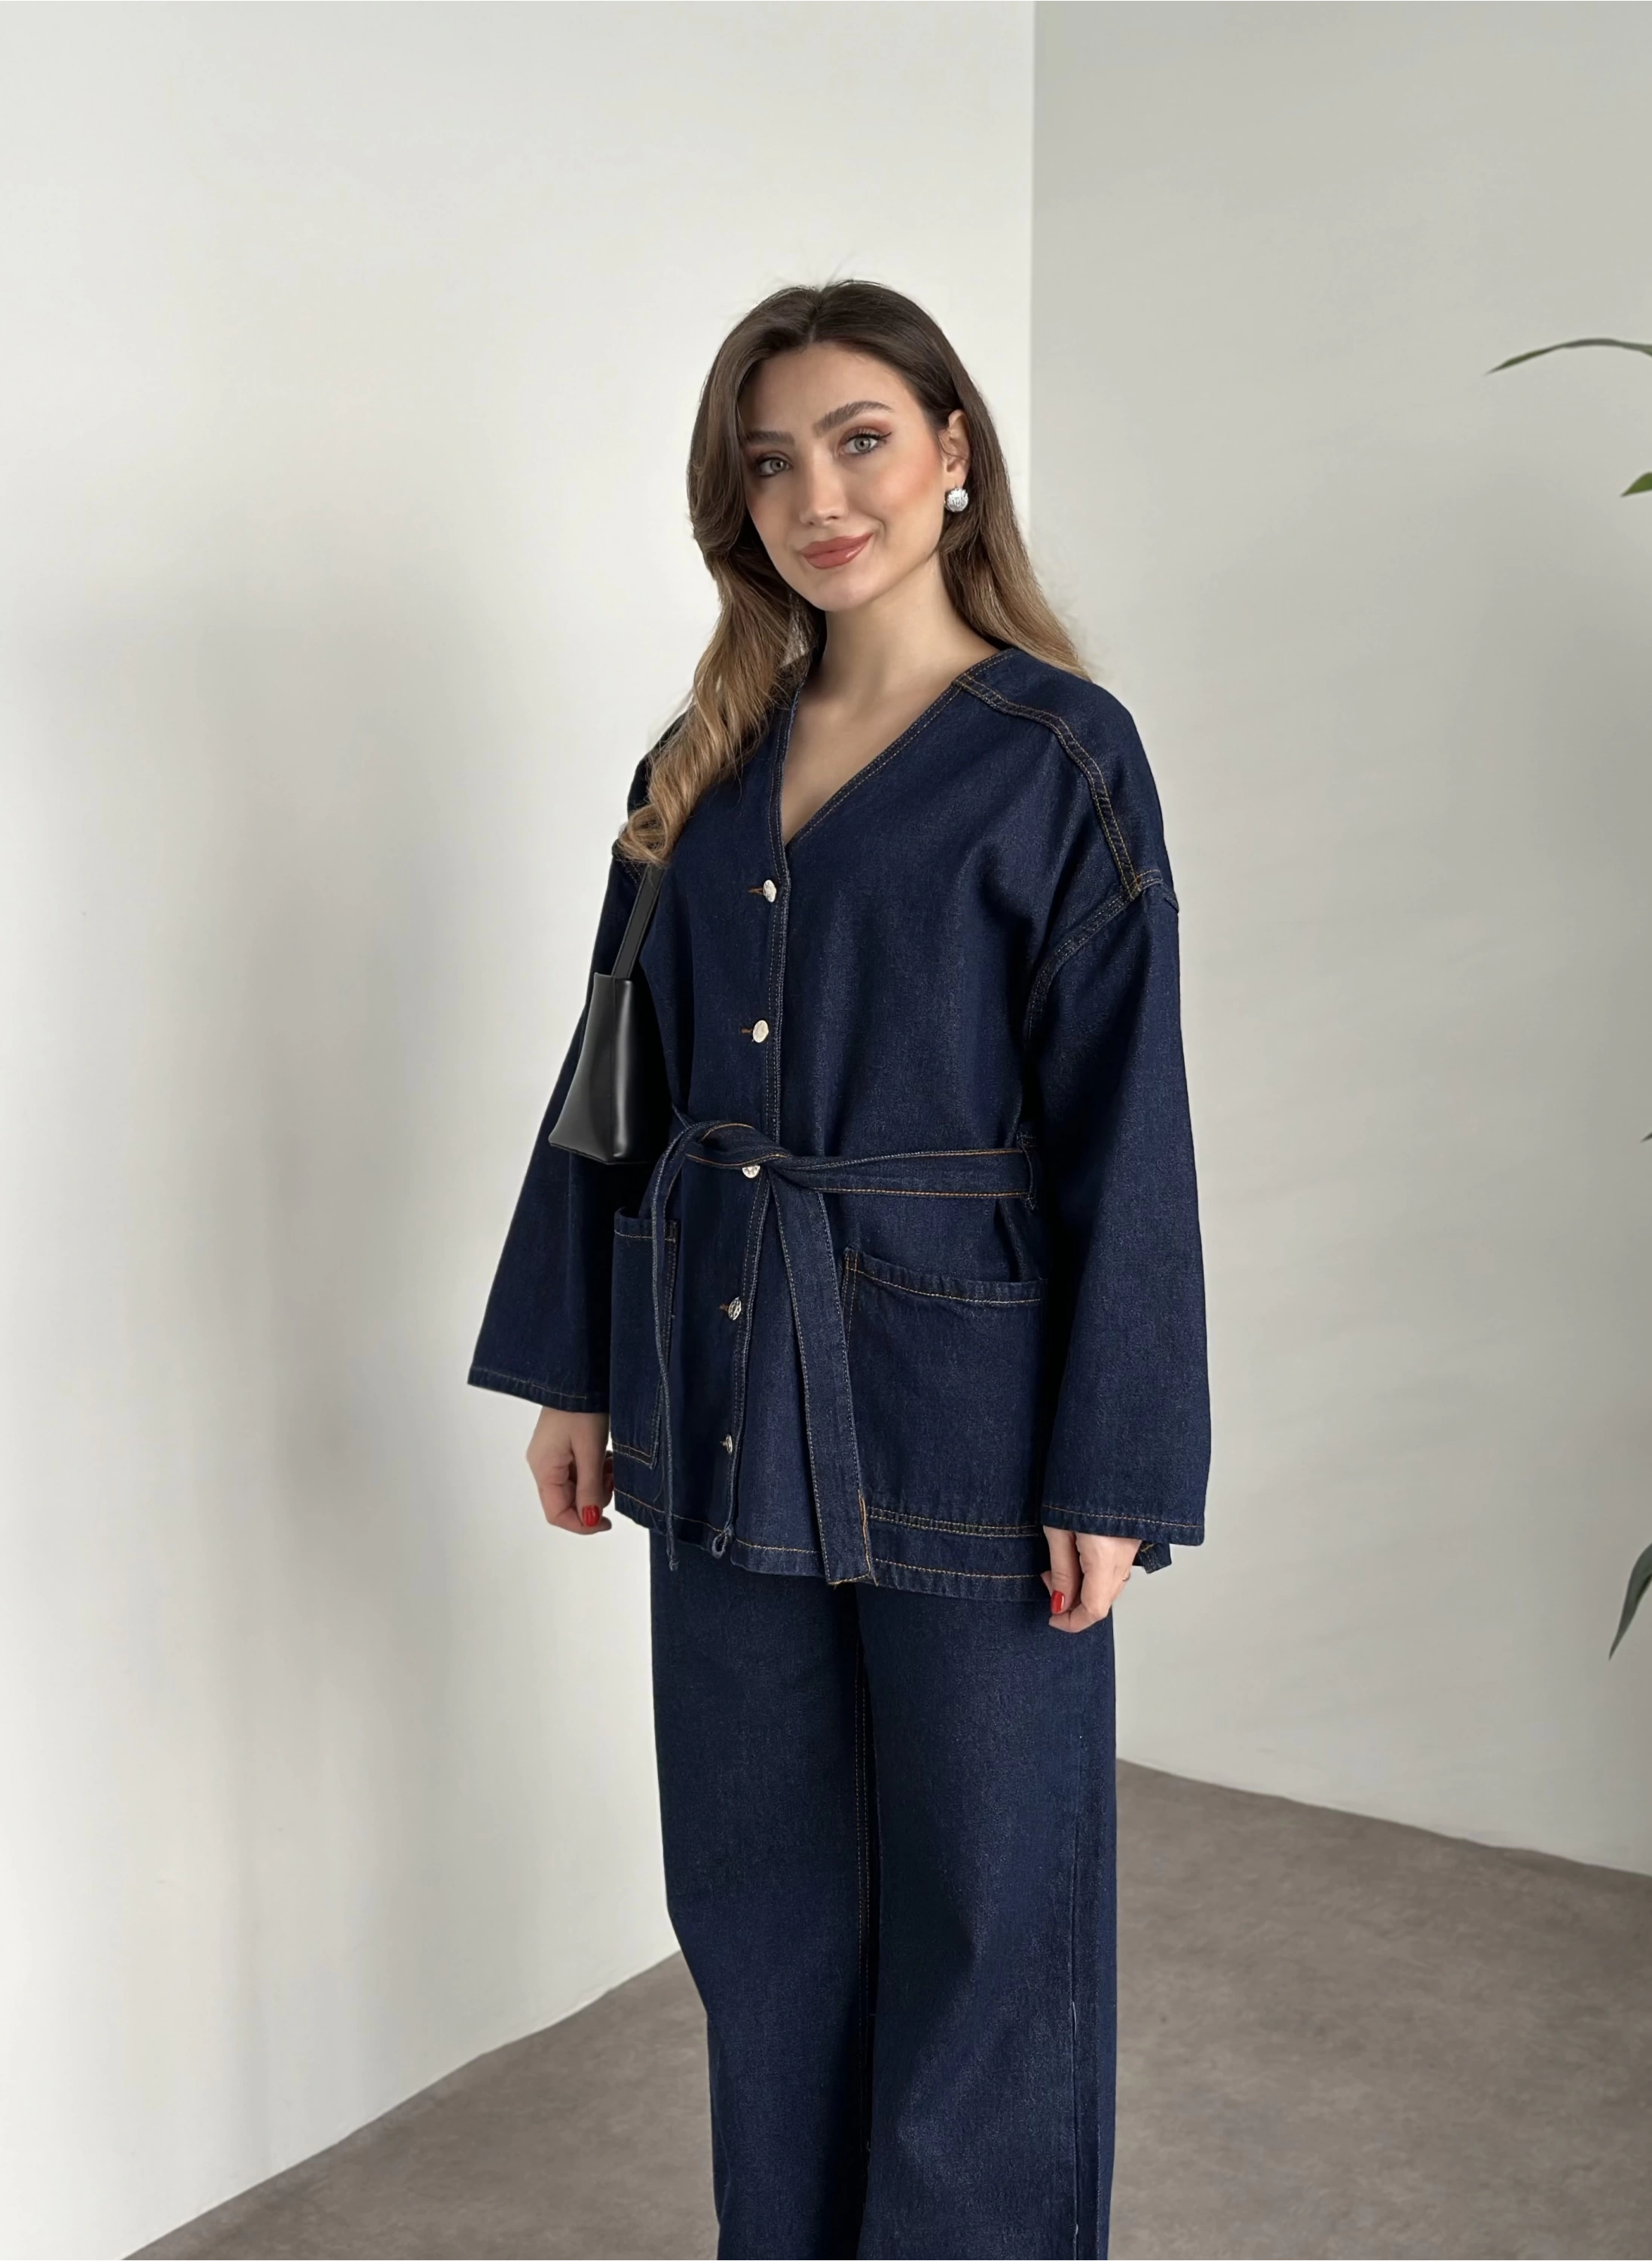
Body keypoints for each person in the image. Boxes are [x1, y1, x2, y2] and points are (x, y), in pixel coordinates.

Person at [467, 277, 1210, 2261]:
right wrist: (576, 1368)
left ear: (955, 451)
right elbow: (610, 1077)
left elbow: (1128, 1117)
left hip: (973, 1412)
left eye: (862, 439)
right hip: (717, 1385)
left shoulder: (1060, 754)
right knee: (760, 1902)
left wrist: (1114, 1469)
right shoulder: (701, 759)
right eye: (773, 460)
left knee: (988, 1912)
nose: (822, 495)